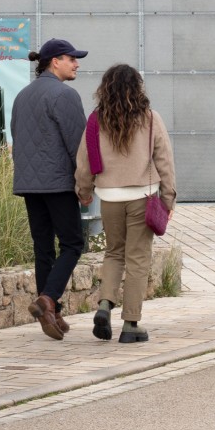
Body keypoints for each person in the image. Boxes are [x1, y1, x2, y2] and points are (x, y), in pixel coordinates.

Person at [75, 64, 177, 343]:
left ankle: (105, 305)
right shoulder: (151, 119)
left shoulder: (96, 120)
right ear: (138, 88)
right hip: (143, 198)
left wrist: (84, 192)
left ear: (105, 89)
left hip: (109, 197)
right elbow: (164, 162)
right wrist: (168, 198)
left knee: (113, 253)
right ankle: (131, 323)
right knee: (138, 259)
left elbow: (84, 162)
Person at [9, 37, 88, 339]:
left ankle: (51, 313)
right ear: (55, 62)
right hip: (57, 183)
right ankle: (48, 299)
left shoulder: (22, 95)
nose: (77, 64)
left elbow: (18, 138)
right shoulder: (65, 95)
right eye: (72, 59)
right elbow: (78, 146)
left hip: (29, 184)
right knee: (72, 244)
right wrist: (85, 184)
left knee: (43, 248)